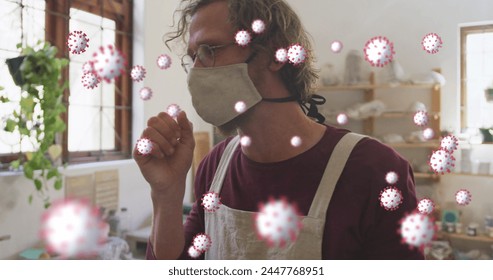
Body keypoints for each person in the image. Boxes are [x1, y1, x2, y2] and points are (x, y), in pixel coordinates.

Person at [134, 0, 424, 260]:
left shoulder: (374, 171)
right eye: (193, 56)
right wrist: (166, 195)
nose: (196, 71)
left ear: (276, 54)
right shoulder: (215, 165)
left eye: (210, 50)